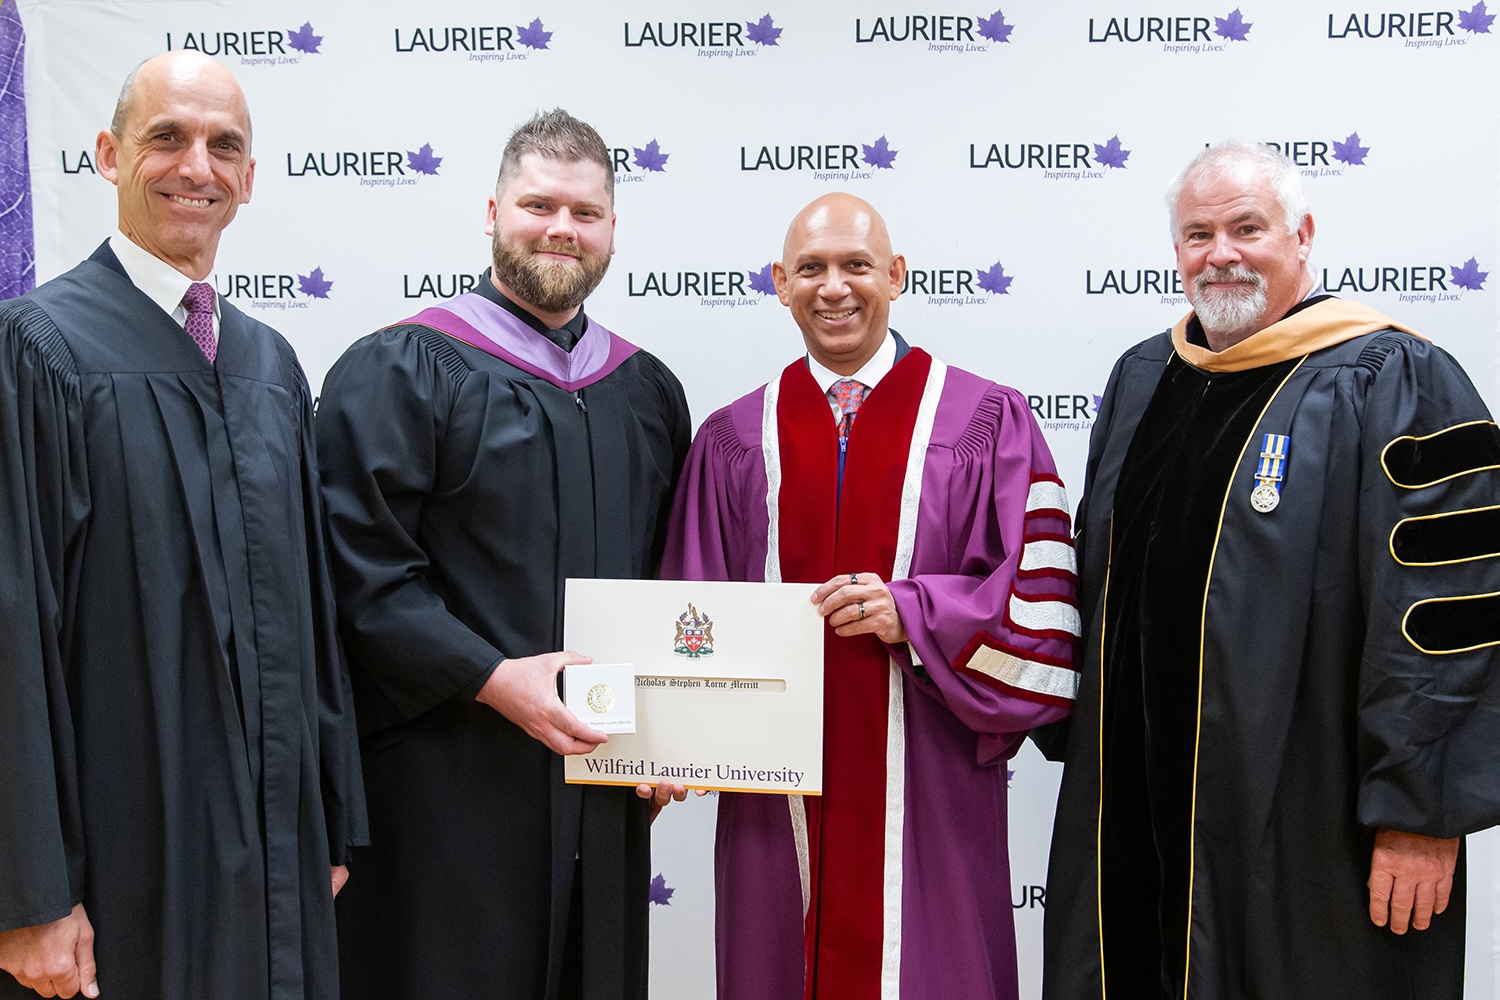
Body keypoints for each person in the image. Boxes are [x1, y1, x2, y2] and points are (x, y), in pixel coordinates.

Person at [1041, 141, 1500, 999]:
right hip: (1133, 809)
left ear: (1302, 236)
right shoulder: (1144, 377)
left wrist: (1418, 813)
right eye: (1198, 234)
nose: (1221, 254)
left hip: (1313, 815)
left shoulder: (1394, 377)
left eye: (1247, 228)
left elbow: (1446, 611)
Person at [0, 51, 364, 1000]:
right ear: (108, 153)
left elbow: (312, 614)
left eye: (223, 146)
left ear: (250, 177)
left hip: (276, 853)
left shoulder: (270, 365)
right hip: (121, 860)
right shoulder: (39, 349)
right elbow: (9, 630)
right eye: (167, 137)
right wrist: (27, 895)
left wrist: (326, 814)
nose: (196, 166)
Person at [661, 192, 1079, 1000]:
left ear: (896, 274)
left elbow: (1037, 599)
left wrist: (916, 613)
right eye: (810, 269)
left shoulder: (990, 420)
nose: (835, 287)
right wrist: (672, 736)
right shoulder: (732, 439)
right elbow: (691, 609)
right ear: (780, 284)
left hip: (932, 777)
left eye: (856, 265)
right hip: (773, 791)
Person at [317, 109, 691, 1000]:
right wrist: (490, 676)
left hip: (603, 784)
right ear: (491, 212)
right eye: (538, 205)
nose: (561, 228)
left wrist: (685, 727)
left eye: (585, 211)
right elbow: (357, 573)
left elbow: (675, 582)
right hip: (446, 785)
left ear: (611, 229)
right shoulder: (400, 369)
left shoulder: (645, 390)